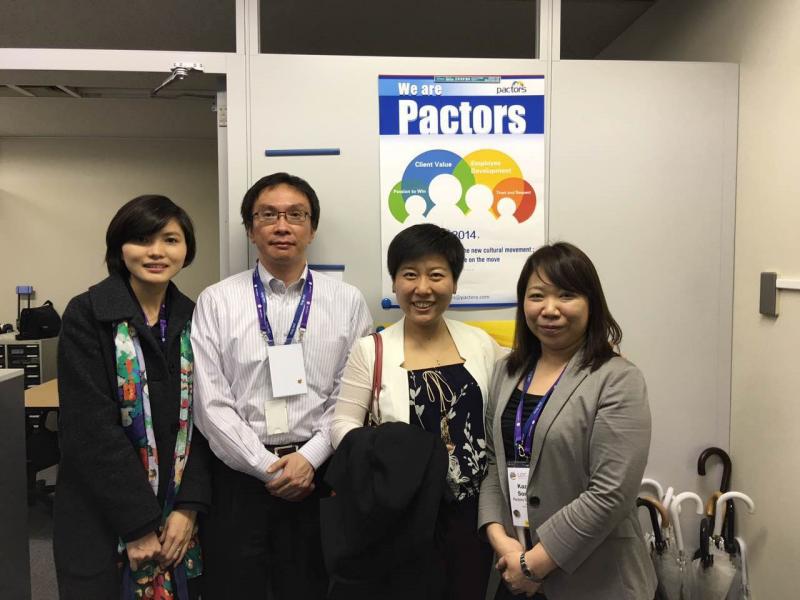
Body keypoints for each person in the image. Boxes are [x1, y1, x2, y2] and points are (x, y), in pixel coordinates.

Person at [191, 172, 372, 599]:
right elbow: (210, 403)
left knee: (312, 588)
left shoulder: (347, 302)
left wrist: (308, 459)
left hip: (319, 476)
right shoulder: (216, 300)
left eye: (295, 215)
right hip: (239, 479)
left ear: (312, 228)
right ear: (250, 229)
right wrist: (264, 467)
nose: (282, 226)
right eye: (268, 215)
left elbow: (352, 397)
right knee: (235, 589)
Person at [331, 223, 505, 599]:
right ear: (395, 283)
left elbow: (530, 375)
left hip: (471, 515)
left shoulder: (479, 343)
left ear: (454, 284)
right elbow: (342, 423)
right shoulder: (371, 350)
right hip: (403, 514)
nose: (422, 288)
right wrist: (381, 453)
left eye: (436, 275)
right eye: (410, 274)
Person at [478, 242, 657, 600]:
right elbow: (495, 463)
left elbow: (611, 492)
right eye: (537, 296)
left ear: (591, 303)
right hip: (513, 571)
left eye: (566, 295)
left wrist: (535, 564)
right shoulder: (506, 372)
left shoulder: (617, 379)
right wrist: (503, 542)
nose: (550, 309)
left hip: (596, 580)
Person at [54, 195, 211, 600]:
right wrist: (138, 524)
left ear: (187, 249)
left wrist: (188, 507)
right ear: (119, 248)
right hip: (102, 515)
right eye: (142, 239)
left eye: (170, 240)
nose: (156, 252)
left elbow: (207, 421)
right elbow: (90, 430)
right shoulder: (88, 314)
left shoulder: (196, 318)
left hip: (177, 515)